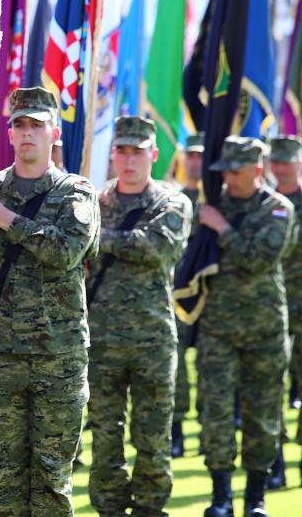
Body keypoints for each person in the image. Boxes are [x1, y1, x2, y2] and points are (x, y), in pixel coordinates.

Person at [0, 86, 100, 516]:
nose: (27, 133)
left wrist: (6, 220)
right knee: (3, 479)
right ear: (9, 133)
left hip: (58, 357)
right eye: (19, 125)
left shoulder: (75, 192)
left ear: (54, 133)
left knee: (51, 478)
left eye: (36, 126)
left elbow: (66, 251)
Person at [86, 116, 192, 517]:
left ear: (154, 154)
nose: (129, 160)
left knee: (153, 437)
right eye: (122, 151)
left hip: (152, 339)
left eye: (138, 152)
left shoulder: (172, 202)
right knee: (104, 437)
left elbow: (156, 247)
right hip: (101, 339)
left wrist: (97, 239)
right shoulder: (94, 202)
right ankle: (110, 508)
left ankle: (150, 507)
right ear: (113, 155)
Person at [196, 136, 297, 517]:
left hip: (264, 330)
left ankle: (256, 497)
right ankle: (220, 496)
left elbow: (259, 258)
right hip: (218, 329)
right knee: (217, 415)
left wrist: (221, 228)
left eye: (236, 172)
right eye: (225, 171)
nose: (229, 179)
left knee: (263, 415)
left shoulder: (278, 208)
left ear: (257, 170)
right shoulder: (212, 204)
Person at [268, 134, 302, 488]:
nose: (280, 168)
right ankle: (275, 461)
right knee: (273, 385)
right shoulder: (265, 203)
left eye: (286, 161)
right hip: (274, 308)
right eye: (275, 162)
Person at [172, 132, 204, 459]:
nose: (195, 162)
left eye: (201, 156)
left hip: (211, 297)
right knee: (177, 364)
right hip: (178, 294)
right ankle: (177, 429)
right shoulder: (175, 200)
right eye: (191, 156)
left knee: (210, 366)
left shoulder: (218, 202)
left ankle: (209, 429)